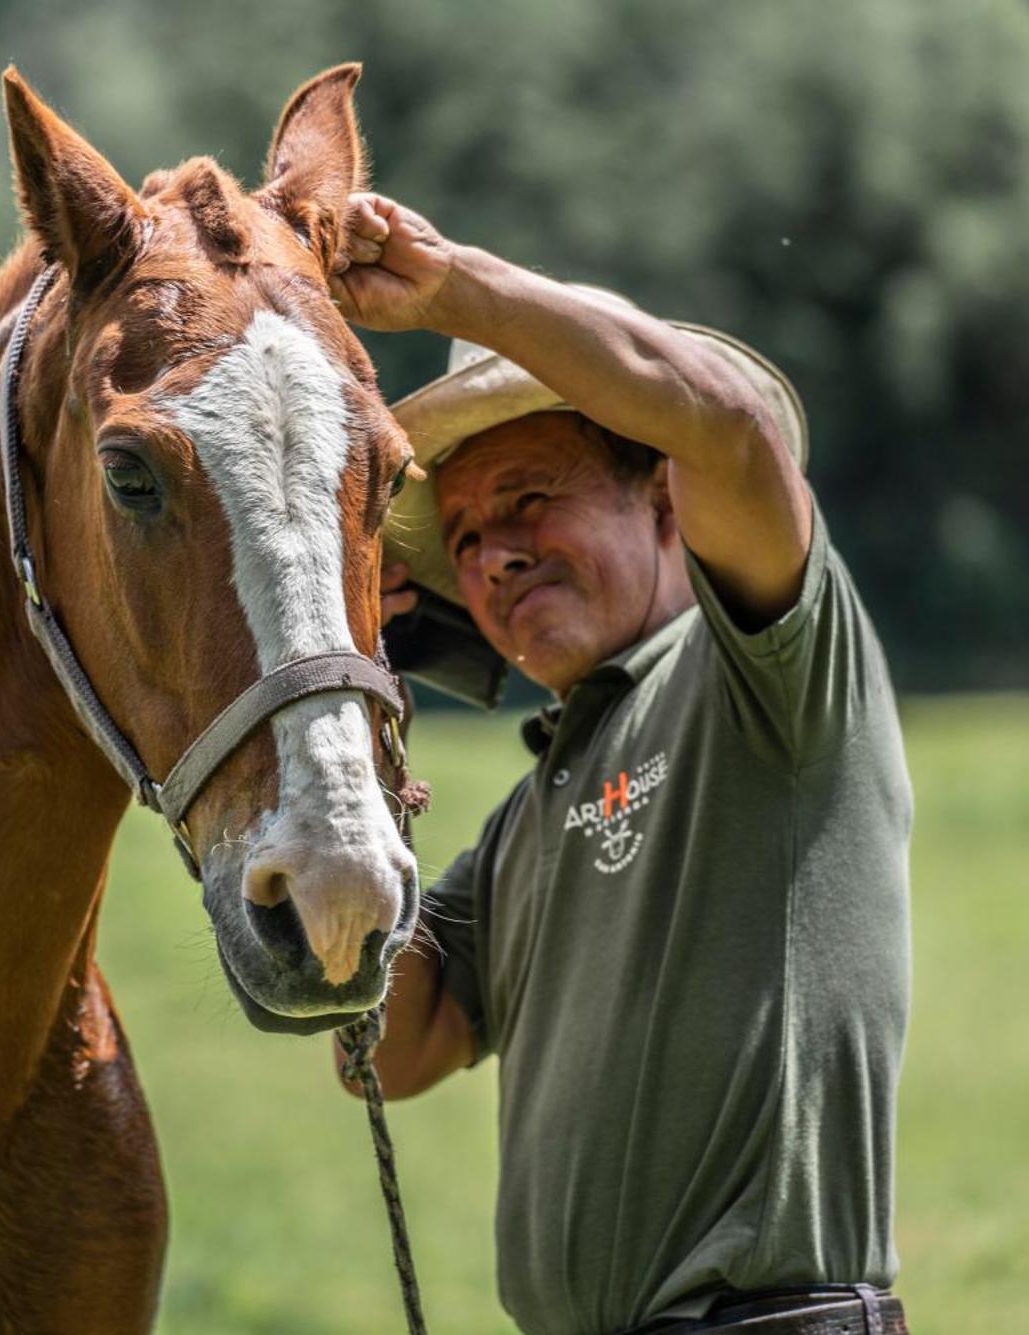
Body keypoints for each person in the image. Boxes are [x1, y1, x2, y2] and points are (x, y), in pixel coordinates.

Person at [327, 192, 915, 1335]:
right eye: (461, 539)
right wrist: (353, 753)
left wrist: (454, 290)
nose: (493, 556)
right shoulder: (527, 808)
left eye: (528, 499)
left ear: (662, 498)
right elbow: (391, 1055)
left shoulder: (764, 666)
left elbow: (730, 427)